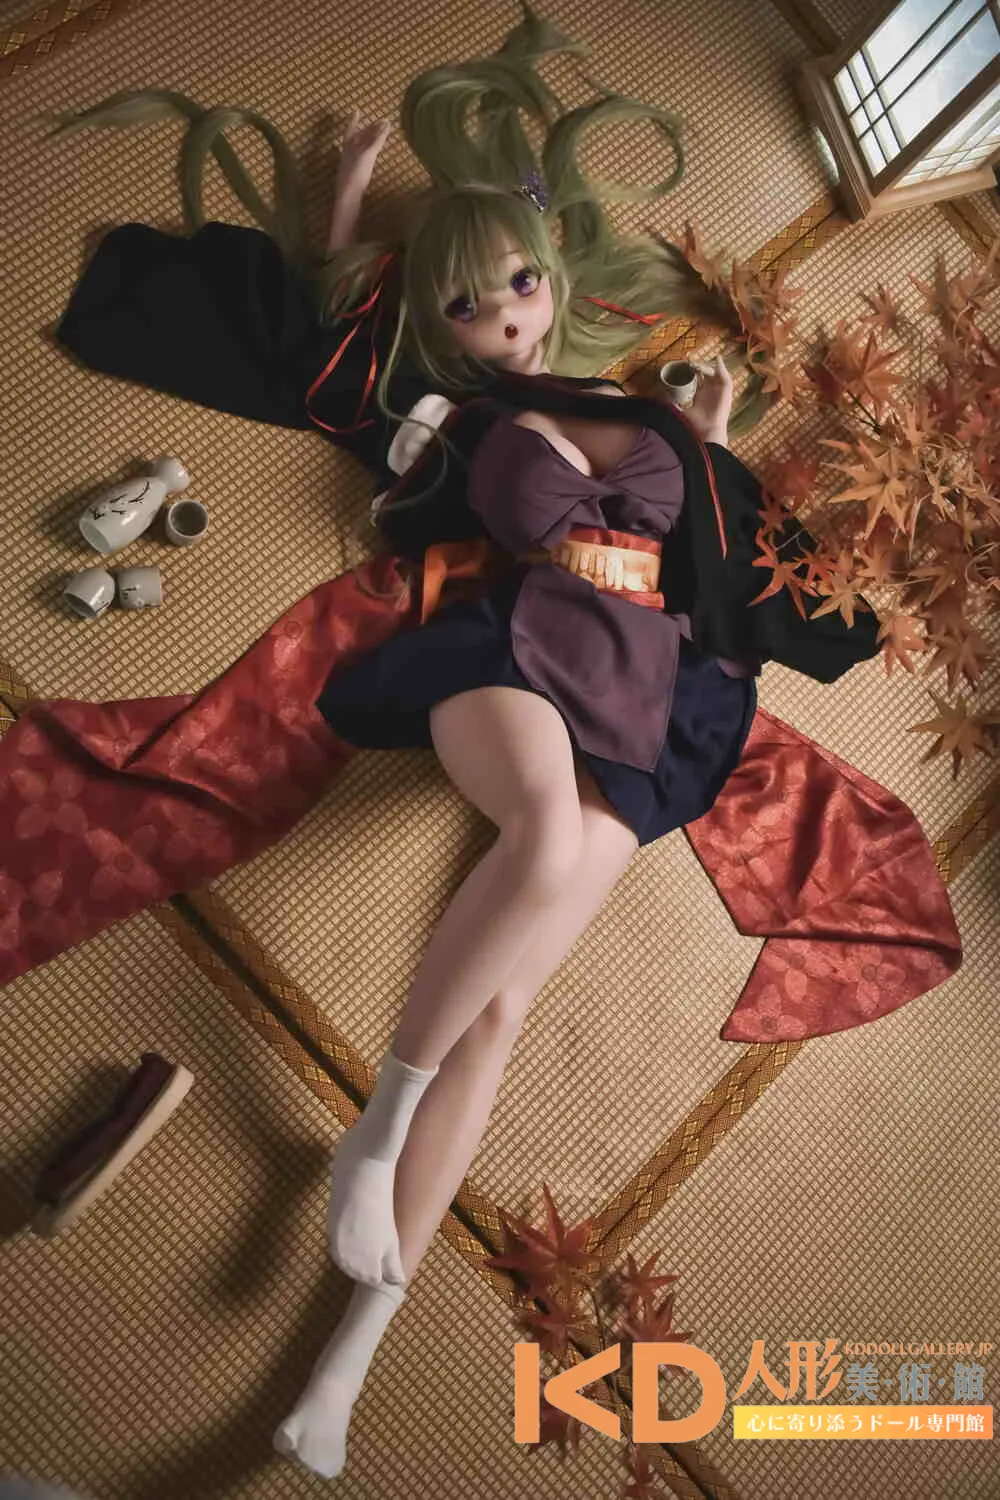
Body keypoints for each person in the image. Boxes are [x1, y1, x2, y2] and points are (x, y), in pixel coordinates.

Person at [48, 4, 882, 1478]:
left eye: (519, 283)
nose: (507, 313)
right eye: (473, 302)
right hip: (505, 647)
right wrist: (341, 210)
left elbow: (696, 540)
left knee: (503, 1012)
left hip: (649, 693)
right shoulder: (443, 409)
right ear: (436, 322)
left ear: (550, 273)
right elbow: (319, 357)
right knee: (540, 838)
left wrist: (702, 432)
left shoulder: (621, 399)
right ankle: (376, 1129)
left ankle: (346, 1360)